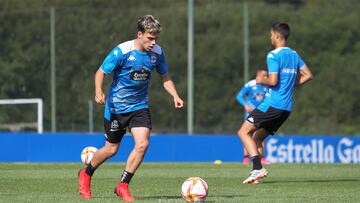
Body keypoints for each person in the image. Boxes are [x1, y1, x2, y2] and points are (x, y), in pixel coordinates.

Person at [78, 15, 184, 201]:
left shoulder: (157, 53)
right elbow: (101, 72)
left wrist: (175, 95)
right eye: (150, 38)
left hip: (140, 106)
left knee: (142, 144)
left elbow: (165, 77)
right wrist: (98, 91)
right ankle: (86, 173)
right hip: (116, 108)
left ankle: (122, 185)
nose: (153, 42)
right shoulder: (122, 51)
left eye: (156, 38)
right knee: (111, 149)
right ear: (139, 34)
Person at [237, 22, 313, 184]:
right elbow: (308, 75)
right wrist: (290, 83)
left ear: (277, 36)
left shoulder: (273, 55)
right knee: (257, 138)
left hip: (272, 104)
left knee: (243, 132)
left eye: (271, 35)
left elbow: (273, 80)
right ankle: (256, 175)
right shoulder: (294, 54)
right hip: (286, 109)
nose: (270, 37)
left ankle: (257, 168)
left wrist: (260, 79)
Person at [236, 69, 270, 164]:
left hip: (262, 113)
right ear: (258, 76)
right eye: (264, 75)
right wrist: (246, 104)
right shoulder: (251, 84)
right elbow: (239, 96)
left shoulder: (268, 86)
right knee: (246, 133)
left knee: (260, 134)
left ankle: (261, 158)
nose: (266, 77)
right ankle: (246, 158)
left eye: (267, 75)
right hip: (251, 113)